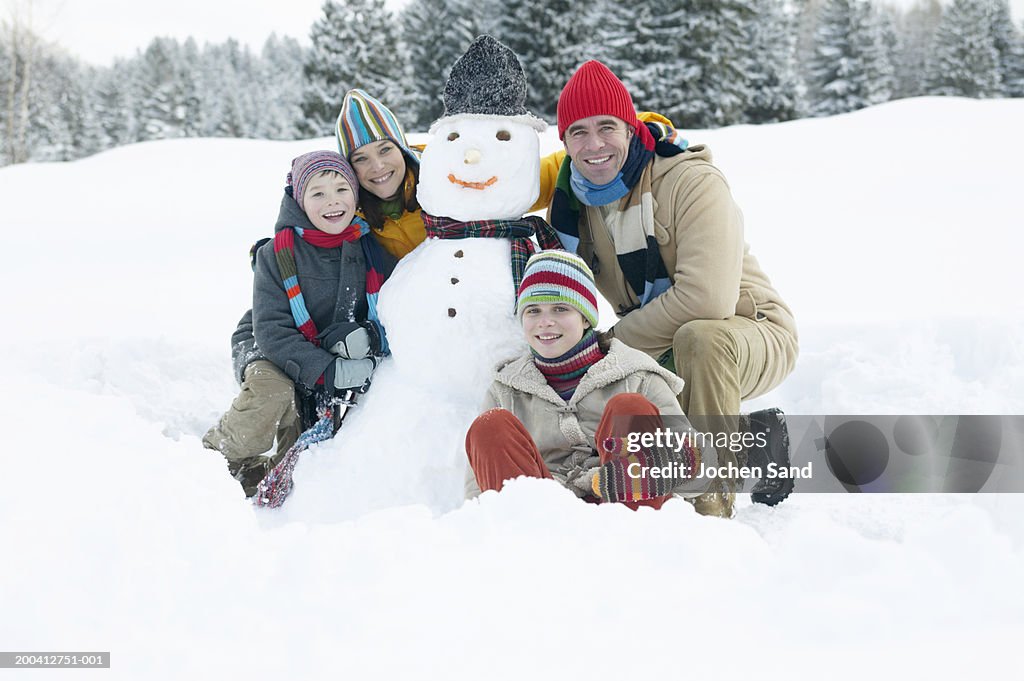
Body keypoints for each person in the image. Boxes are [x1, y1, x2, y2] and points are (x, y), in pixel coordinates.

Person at [549, 60, 799, 518]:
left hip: (747, 330)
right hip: (658, 338)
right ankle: (757, 445)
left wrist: (609, 346)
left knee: (699, 338)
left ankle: (709, 513)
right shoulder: (573, 204)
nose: (595, 144)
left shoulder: (690, 180)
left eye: (608, 127)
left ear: (630, 128)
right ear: (564, 143)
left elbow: (708, 300)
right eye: (578, 132)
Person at [203, 151, 396, 496]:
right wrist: (326, 371)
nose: (332, 202)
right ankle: (212, 458)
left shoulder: (369, 248)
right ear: (299, 201)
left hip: (327, 350)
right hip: (268, 345)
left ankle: (258, 477)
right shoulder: (277, 254)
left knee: (301, 459)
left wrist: (369, 337)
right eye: (318, 193)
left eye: (341, 190)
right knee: (274, 392)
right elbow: (272, 330)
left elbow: (396, 308)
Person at [464, 250, 708, 510]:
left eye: (560, 308)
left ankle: (632, 536)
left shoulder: (637, 375)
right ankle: (527, 540)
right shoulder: (505, 390)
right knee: (490, 426)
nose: (545, 322)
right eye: (533, 310)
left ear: (585, 317)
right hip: (544, 516)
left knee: (629, 409)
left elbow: (693, 467)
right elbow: (477, 487)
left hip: (630, 509)